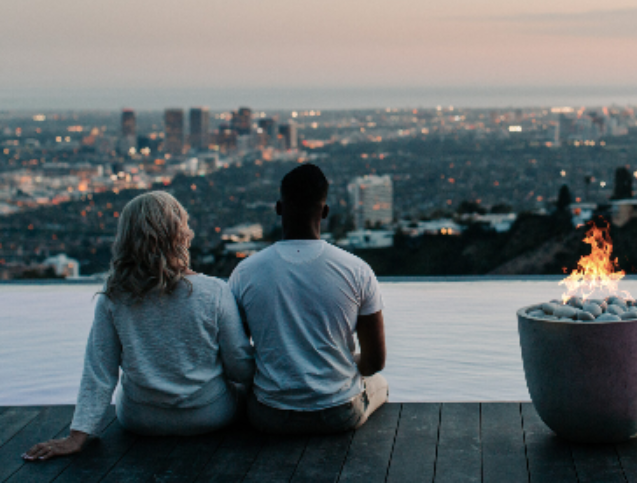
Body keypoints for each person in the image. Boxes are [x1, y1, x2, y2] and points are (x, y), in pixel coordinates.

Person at [23, 191, 254, 462]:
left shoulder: (115, 296)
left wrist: (78, 435)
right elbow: (239, 366)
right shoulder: (214, 292)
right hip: (208, 415)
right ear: (180, 233)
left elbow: (100, 371)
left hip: (140, 419)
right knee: (240, 391)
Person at [229, 163, 388, 434]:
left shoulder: (246, 272)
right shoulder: (356, 270)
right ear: (325, 212)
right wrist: (347, 364)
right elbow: (374, 362)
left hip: (270, 415)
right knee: (380, 383)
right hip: (339, 414)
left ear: (279, 208)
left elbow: (236, 353)